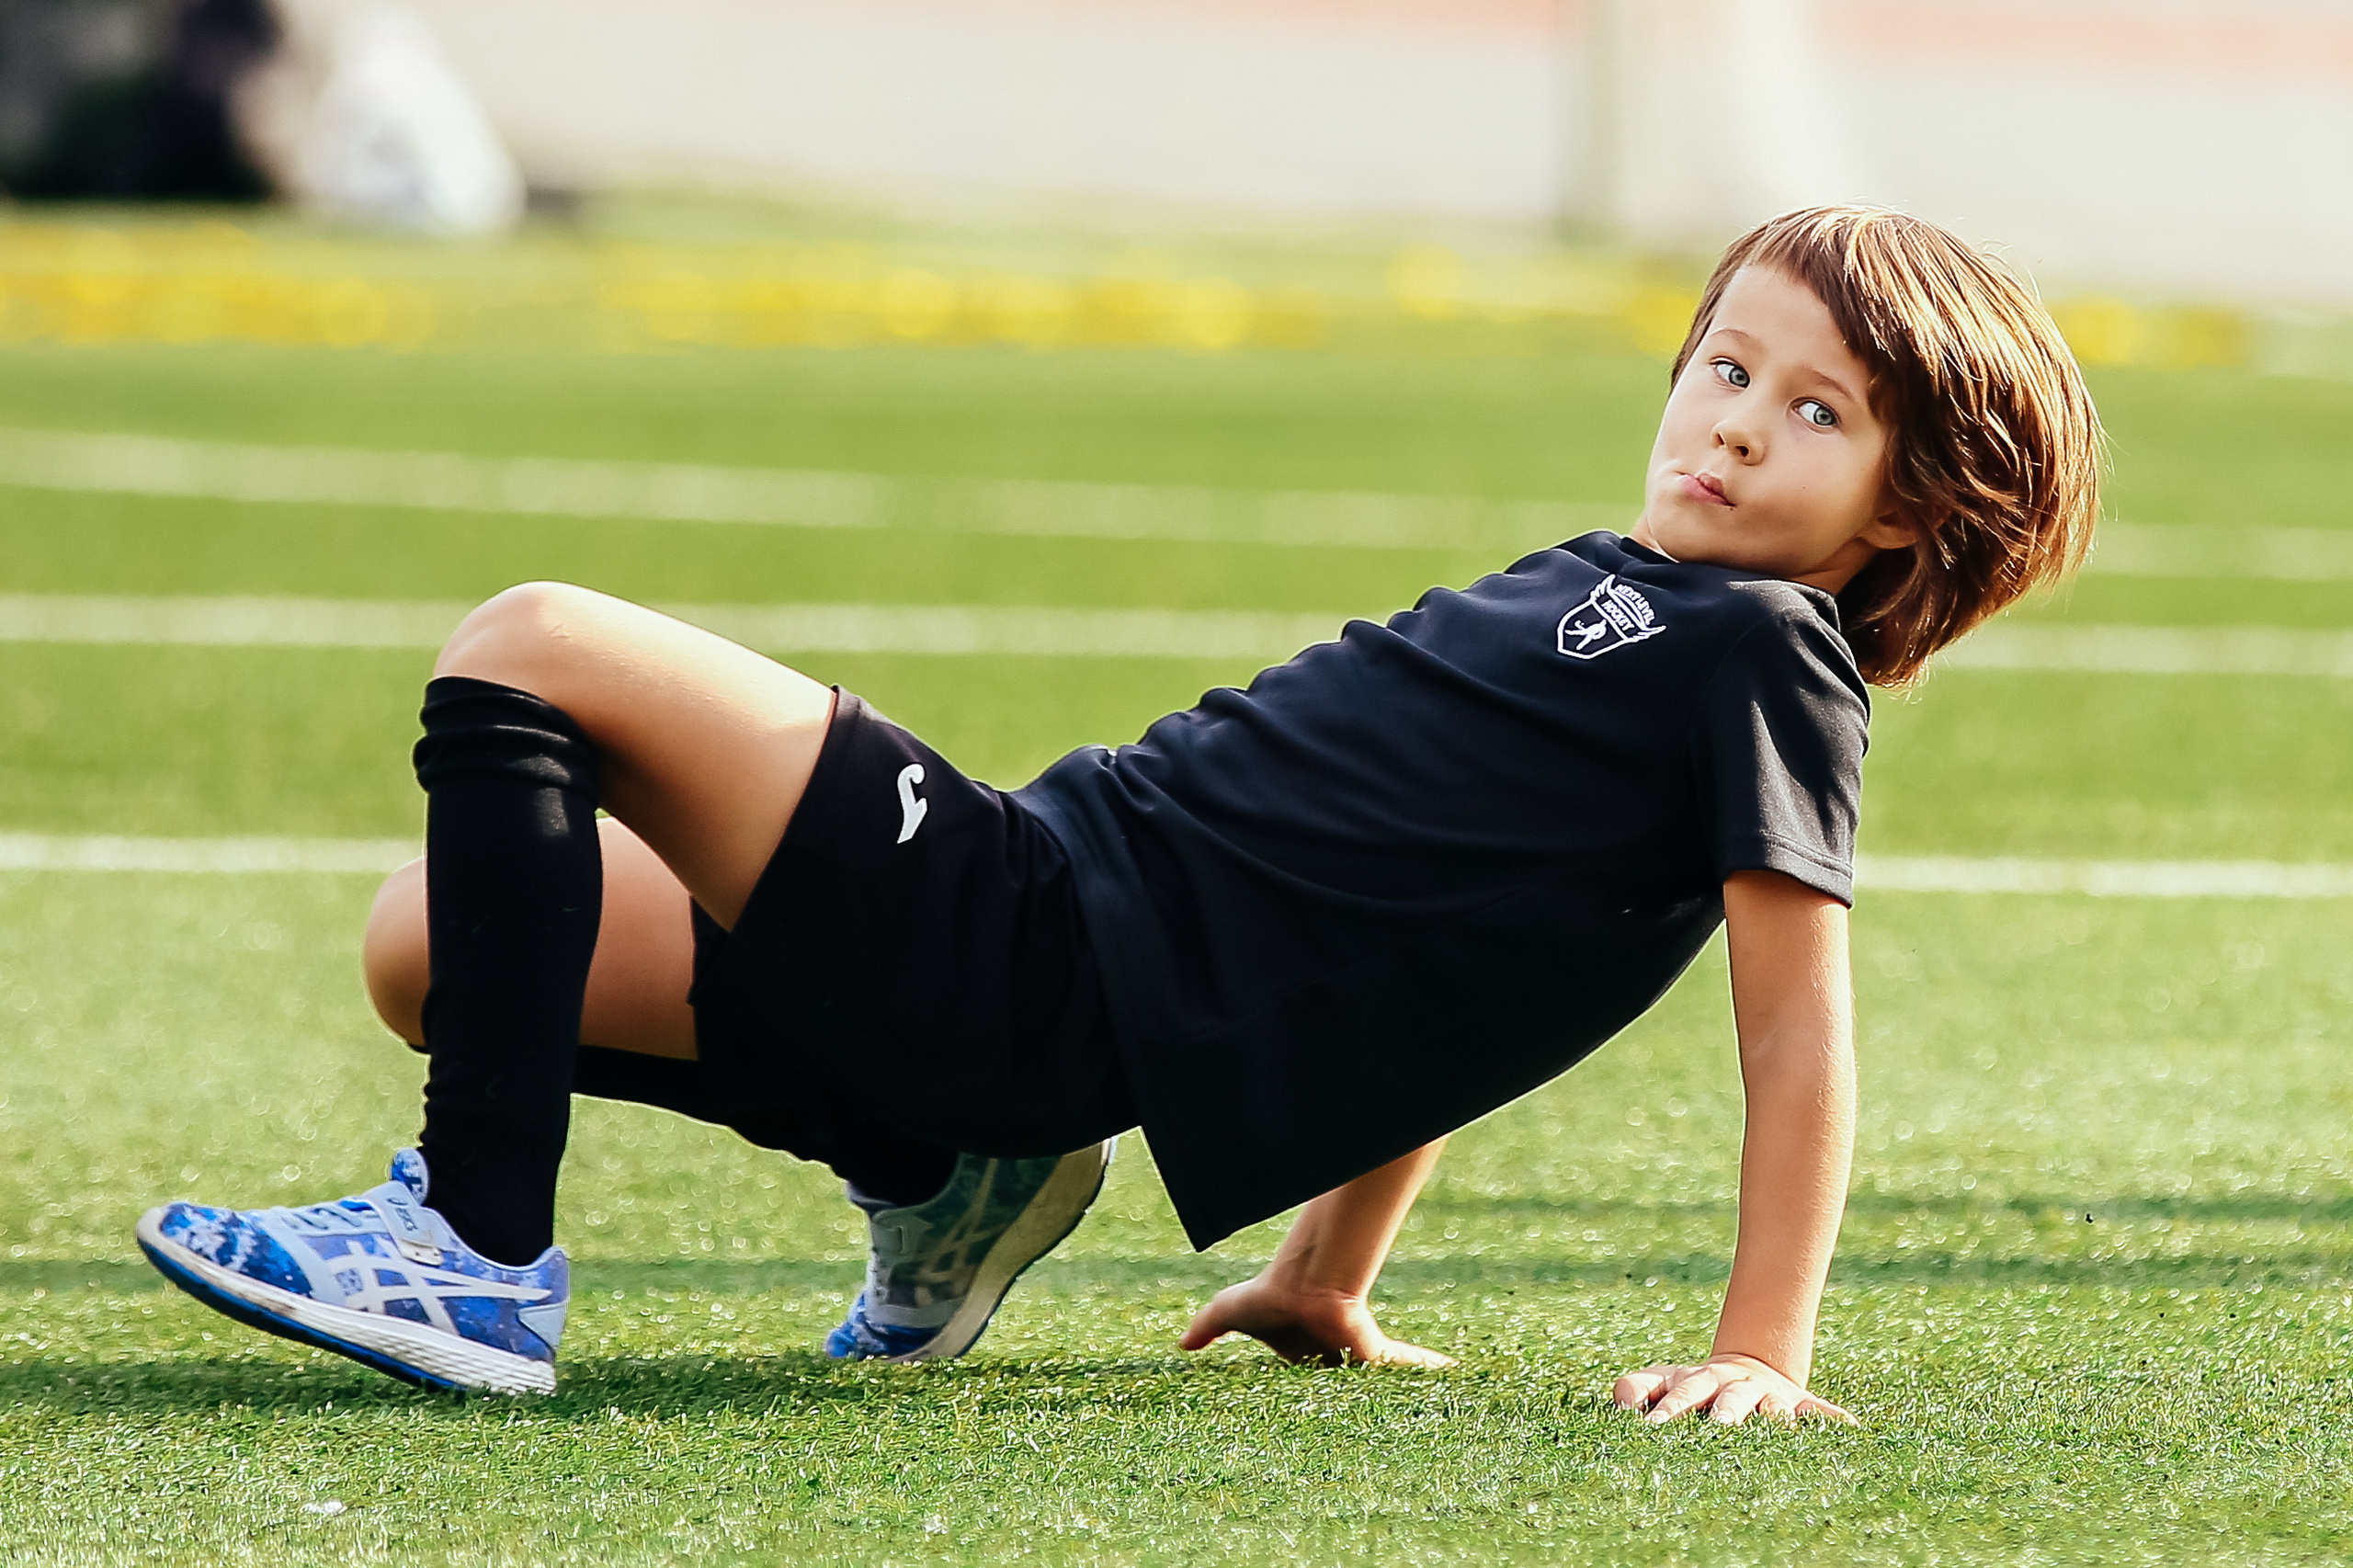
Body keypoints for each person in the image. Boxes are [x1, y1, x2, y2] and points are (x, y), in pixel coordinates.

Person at [134, 206, 2100, 1420]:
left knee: (535, 639)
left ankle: (470, 1256)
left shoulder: (1759, 653)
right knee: (434, 944)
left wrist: (1764, 1339)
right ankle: (938, 1169)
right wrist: (1328, 1272)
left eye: (1815, 410)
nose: (1733, 418)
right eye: (1723, 364)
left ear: (1910, 515)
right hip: (1025, 966)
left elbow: (1791, 1021)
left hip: (1038, 932)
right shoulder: (1626, 592)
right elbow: (1452, 948)